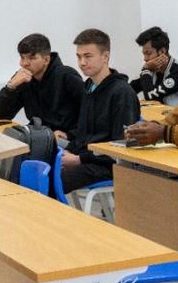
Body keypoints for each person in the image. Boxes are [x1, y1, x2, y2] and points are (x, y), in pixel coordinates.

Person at [59, 29, 140, 194]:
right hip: (87, 158)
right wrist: (70, 151)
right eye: (79, 57)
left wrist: (79, 159)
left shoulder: (122, 92)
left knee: (52, 183)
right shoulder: (89, 87)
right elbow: (83, 132)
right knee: (41, 170)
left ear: (105, 56)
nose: (82, 62)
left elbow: (121, 146)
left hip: (109, 165)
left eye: (87, 56)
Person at [0, 33, 83, 137]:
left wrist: (71, 135)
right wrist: (11, 86)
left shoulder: (67, 76)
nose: (24, 63)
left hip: (65, 139)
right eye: (22, 58)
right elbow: (3, 115)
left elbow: (91, 113)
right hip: (38, 136)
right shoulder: (22, 78)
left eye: (31, 58)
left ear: (46, 60)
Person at [129, 26, 178, 107]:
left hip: (175, 114)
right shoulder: (153, 69)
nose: (145, 59)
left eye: (148, 53)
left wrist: (145, 70)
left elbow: (150, 96)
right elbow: (129, 89)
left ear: (162, 52)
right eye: (144, 54)